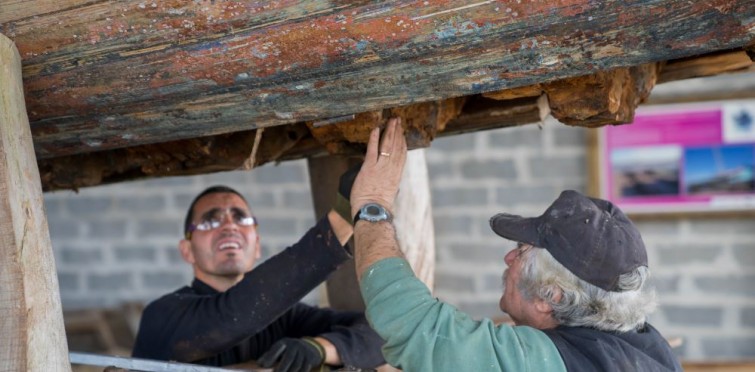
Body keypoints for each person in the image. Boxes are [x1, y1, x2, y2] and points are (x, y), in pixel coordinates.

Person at [348, 117, 683, 371]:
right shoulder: (648, 348)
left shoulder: (550, 362)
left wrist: (373, 203)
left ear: (550, 296)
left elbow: (413, 324)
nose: (509, 257)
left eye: (522, 252)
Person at [132, 179, 385, 371]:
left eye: (241, 219)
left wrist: (320, 348)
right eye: (210, 221)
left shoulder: (285, 318)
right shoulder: (162, 316)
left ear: (257, 245)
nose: (229, 226)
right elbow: (233, 315)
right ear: (187, 251)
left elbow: (382, 332)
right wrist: (342, 217)